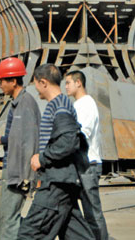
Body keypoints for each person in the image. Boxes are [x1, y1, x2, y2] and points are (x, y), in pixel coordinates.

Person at [18, 64, 93, 240]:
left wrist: (42, 158)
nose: (36, 89)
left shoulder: (60, 107)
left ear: (43, 82)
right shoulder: (61, 104)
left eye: (36, 84)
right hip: (63, 183)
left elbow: (69, 141)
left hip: (56, 183)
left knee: (29, 234)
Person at [0, 57, 41, 240]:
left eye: (3, 80)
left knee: (9, 220)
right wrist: (2, 140)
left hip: (18, 172)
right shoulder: (17, 104)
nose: (0, 84)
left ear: (14, 81)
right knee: (7, 218)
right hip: (12, 170)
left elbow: (29, 141)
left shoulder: (26, 104)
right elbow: (17, 138)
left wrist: (26, 177)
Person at [65, 70, 108, 240]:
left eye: (68, 82)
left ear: (78, 83)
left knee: (92, 213)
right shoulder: (76, 105)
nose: (66, 86)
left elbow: (83, 133)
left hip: (88, 165)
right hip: (79, 165)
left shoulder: (87, 103)